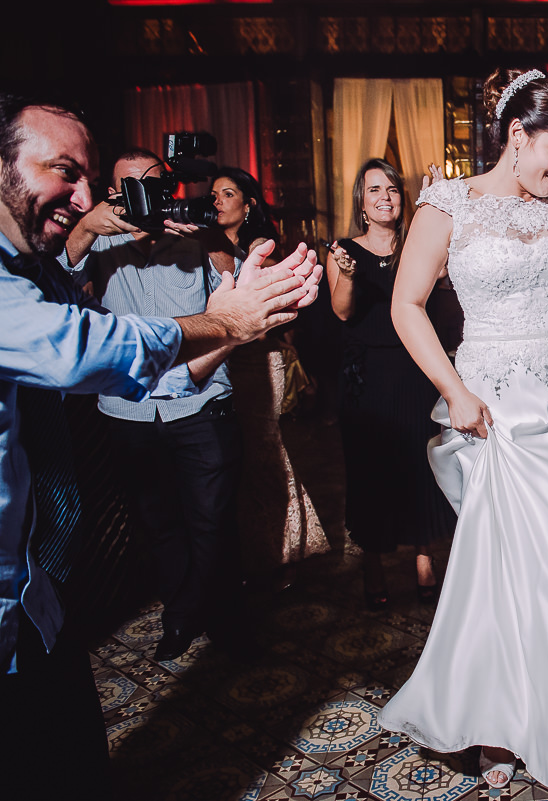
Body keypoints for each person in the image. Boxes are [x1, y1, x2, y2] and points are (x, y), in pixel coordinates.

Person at [0, 93, 320, 798]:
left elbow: (68, 304)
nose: (83, 196)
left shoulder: (34, 263)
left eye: (92, 182)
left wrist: (229, 305)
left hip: (31, 595)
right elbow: (82, 344)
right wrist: (220, 320)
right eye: (65, 171)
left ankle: (214, 615)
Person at [379, 68, 548, 800]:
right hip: (494, 414)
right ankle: (519, 732)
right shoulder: (449, 205)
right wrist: (454, 390)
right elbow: (406, 306)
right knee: (507, 585)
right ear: (515, 135)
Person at [62, 147, 251, 662]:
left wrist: (209, 231)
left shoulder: (191, 233)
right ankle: (182, 615)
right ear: (113, 193)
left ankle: (223, 619)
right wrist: (86, 229)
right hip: (129, 411)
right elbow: (52, 286)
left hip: (200, 401)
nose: (144, 194)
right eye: (130, 185)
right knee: (157, 522)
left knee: (212, 519)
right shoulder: (100, 244)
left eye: (153, 182)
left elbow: (232, 289)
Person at [326, 158, 453, 608]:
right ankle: (373, 565)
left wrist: (439, 203)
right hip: (368, 380)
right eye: (375, 189)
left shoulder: (416, 246)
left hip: (416, 370)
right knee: (371, 472)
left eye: (393, 190)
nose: (385, 197)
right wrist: (347, 272)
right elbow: (342, 311)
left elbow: (440, 276)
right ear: (361, 201)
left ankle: (424, 560)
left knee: (422, 467)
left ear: (402, 199)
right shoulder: (343, 249)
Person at [213, 166, 329, 586]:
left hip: (258, 360)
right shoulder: (197, 245)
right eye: (213, 194)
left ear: (249, 205)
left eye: (228, 193)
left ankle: (285, 549)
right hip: (214, 362)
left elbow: (284, 308)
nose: (218, 200)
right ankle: (245, 551)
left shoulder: (260, 248)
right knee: (229, 456)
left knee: (263, 451)